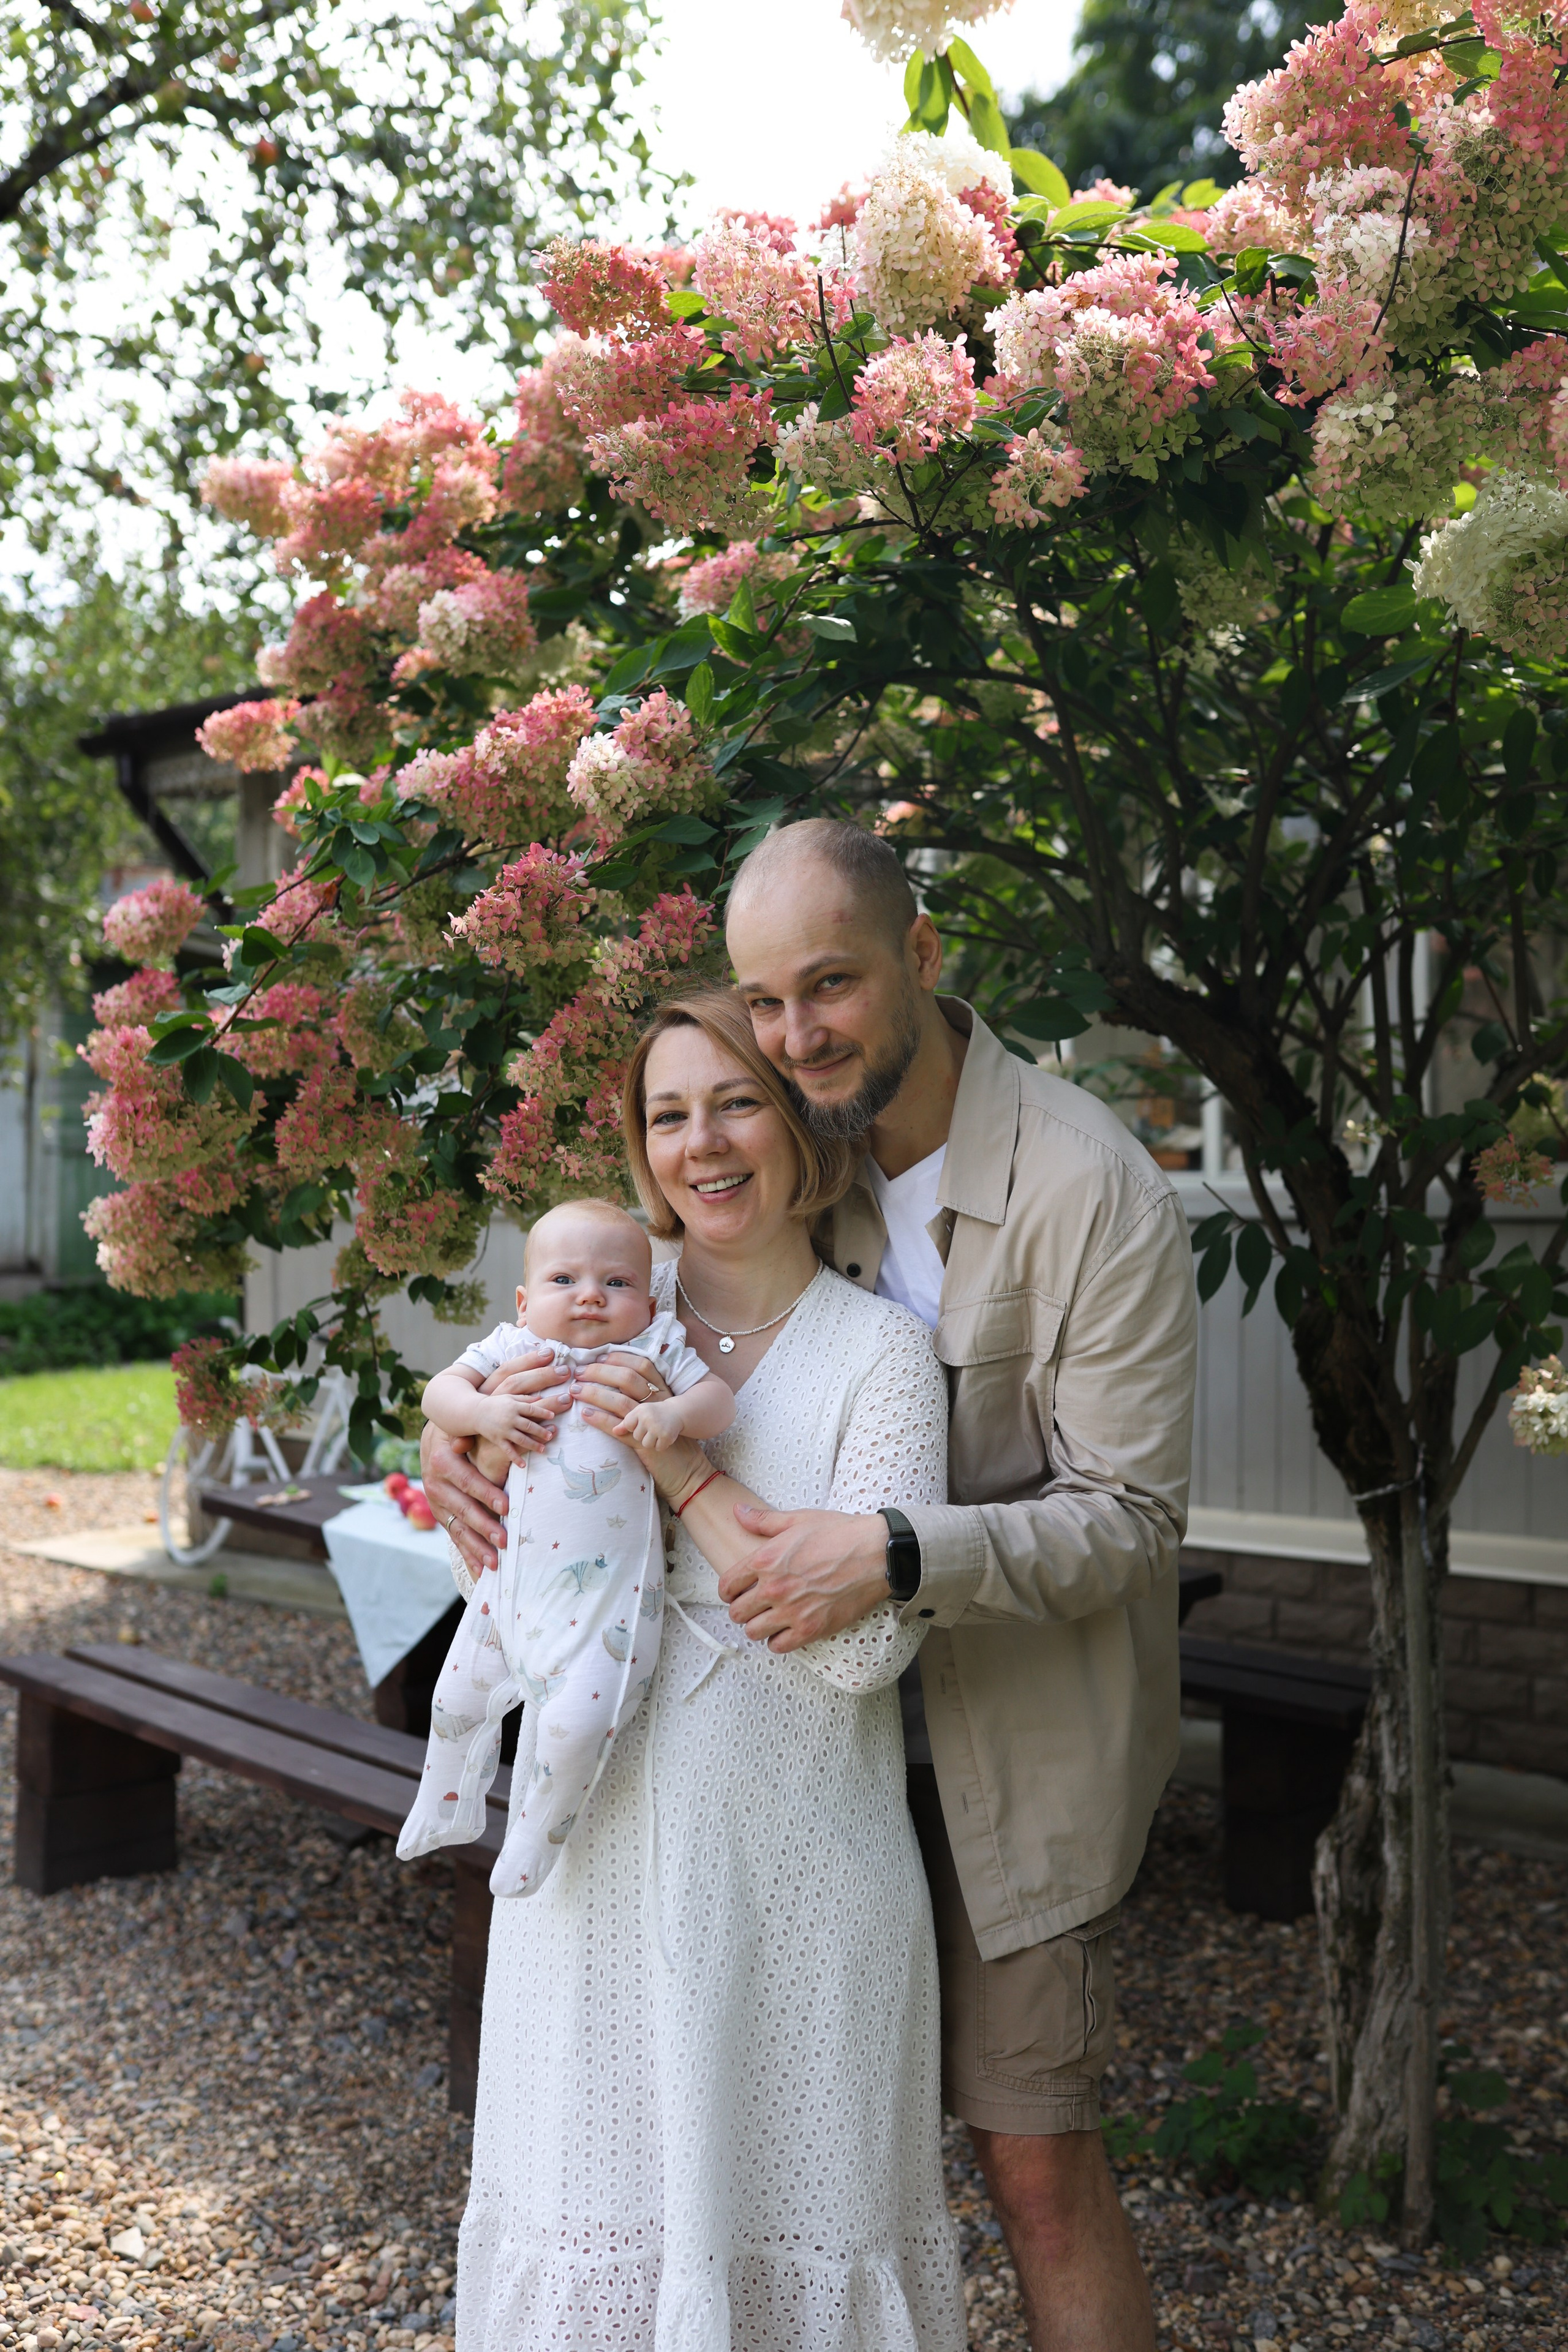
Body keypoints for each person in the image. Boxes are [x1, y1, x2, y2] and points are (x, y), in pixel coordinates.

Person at [426, 826, 1199, 2352]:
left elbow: (1128, 1517)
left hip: (1008, 1724)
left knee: (1031, 2156)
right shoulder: (778, 1172)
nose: (791, 1036)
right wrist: (450, 1428)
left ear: (918, 955)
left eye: (823, 987)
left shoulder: (1083, 1186)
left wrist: (884, 1551)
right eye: (765, 1003)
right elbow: (581, 1328)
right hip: (731, 1779)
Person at [432, 990, 967, 2351]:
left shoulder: (880, 1358)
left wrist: (681, 1468)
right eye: (668, 1115)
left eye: (735, 1102)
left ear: (799, 1127)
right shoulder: (583, 1312)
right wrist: (463, 1462)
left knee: (795, 2270)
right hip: (595, 1882)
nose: (704, 1144)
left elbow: (857, 1652)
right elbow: (496, 1574)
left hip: (802, 1894)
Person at [398, 1197, 734, 1896]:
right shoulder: (514, 1351)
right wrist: (485, 1411)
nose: (590, 1295)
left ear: (647, 1301)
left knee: (578, 1726)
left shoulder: (652, 1351)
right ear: (523, 1302)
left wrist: (671, 1414)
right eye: (564, 1281)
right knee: (454, 1695)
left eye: (616, 1283)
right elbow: (438, 1395)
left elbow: (718, 1404)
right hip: (508, 1588)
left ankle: (535, 1833)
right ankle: (443, 1799)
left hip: (610, 1605)